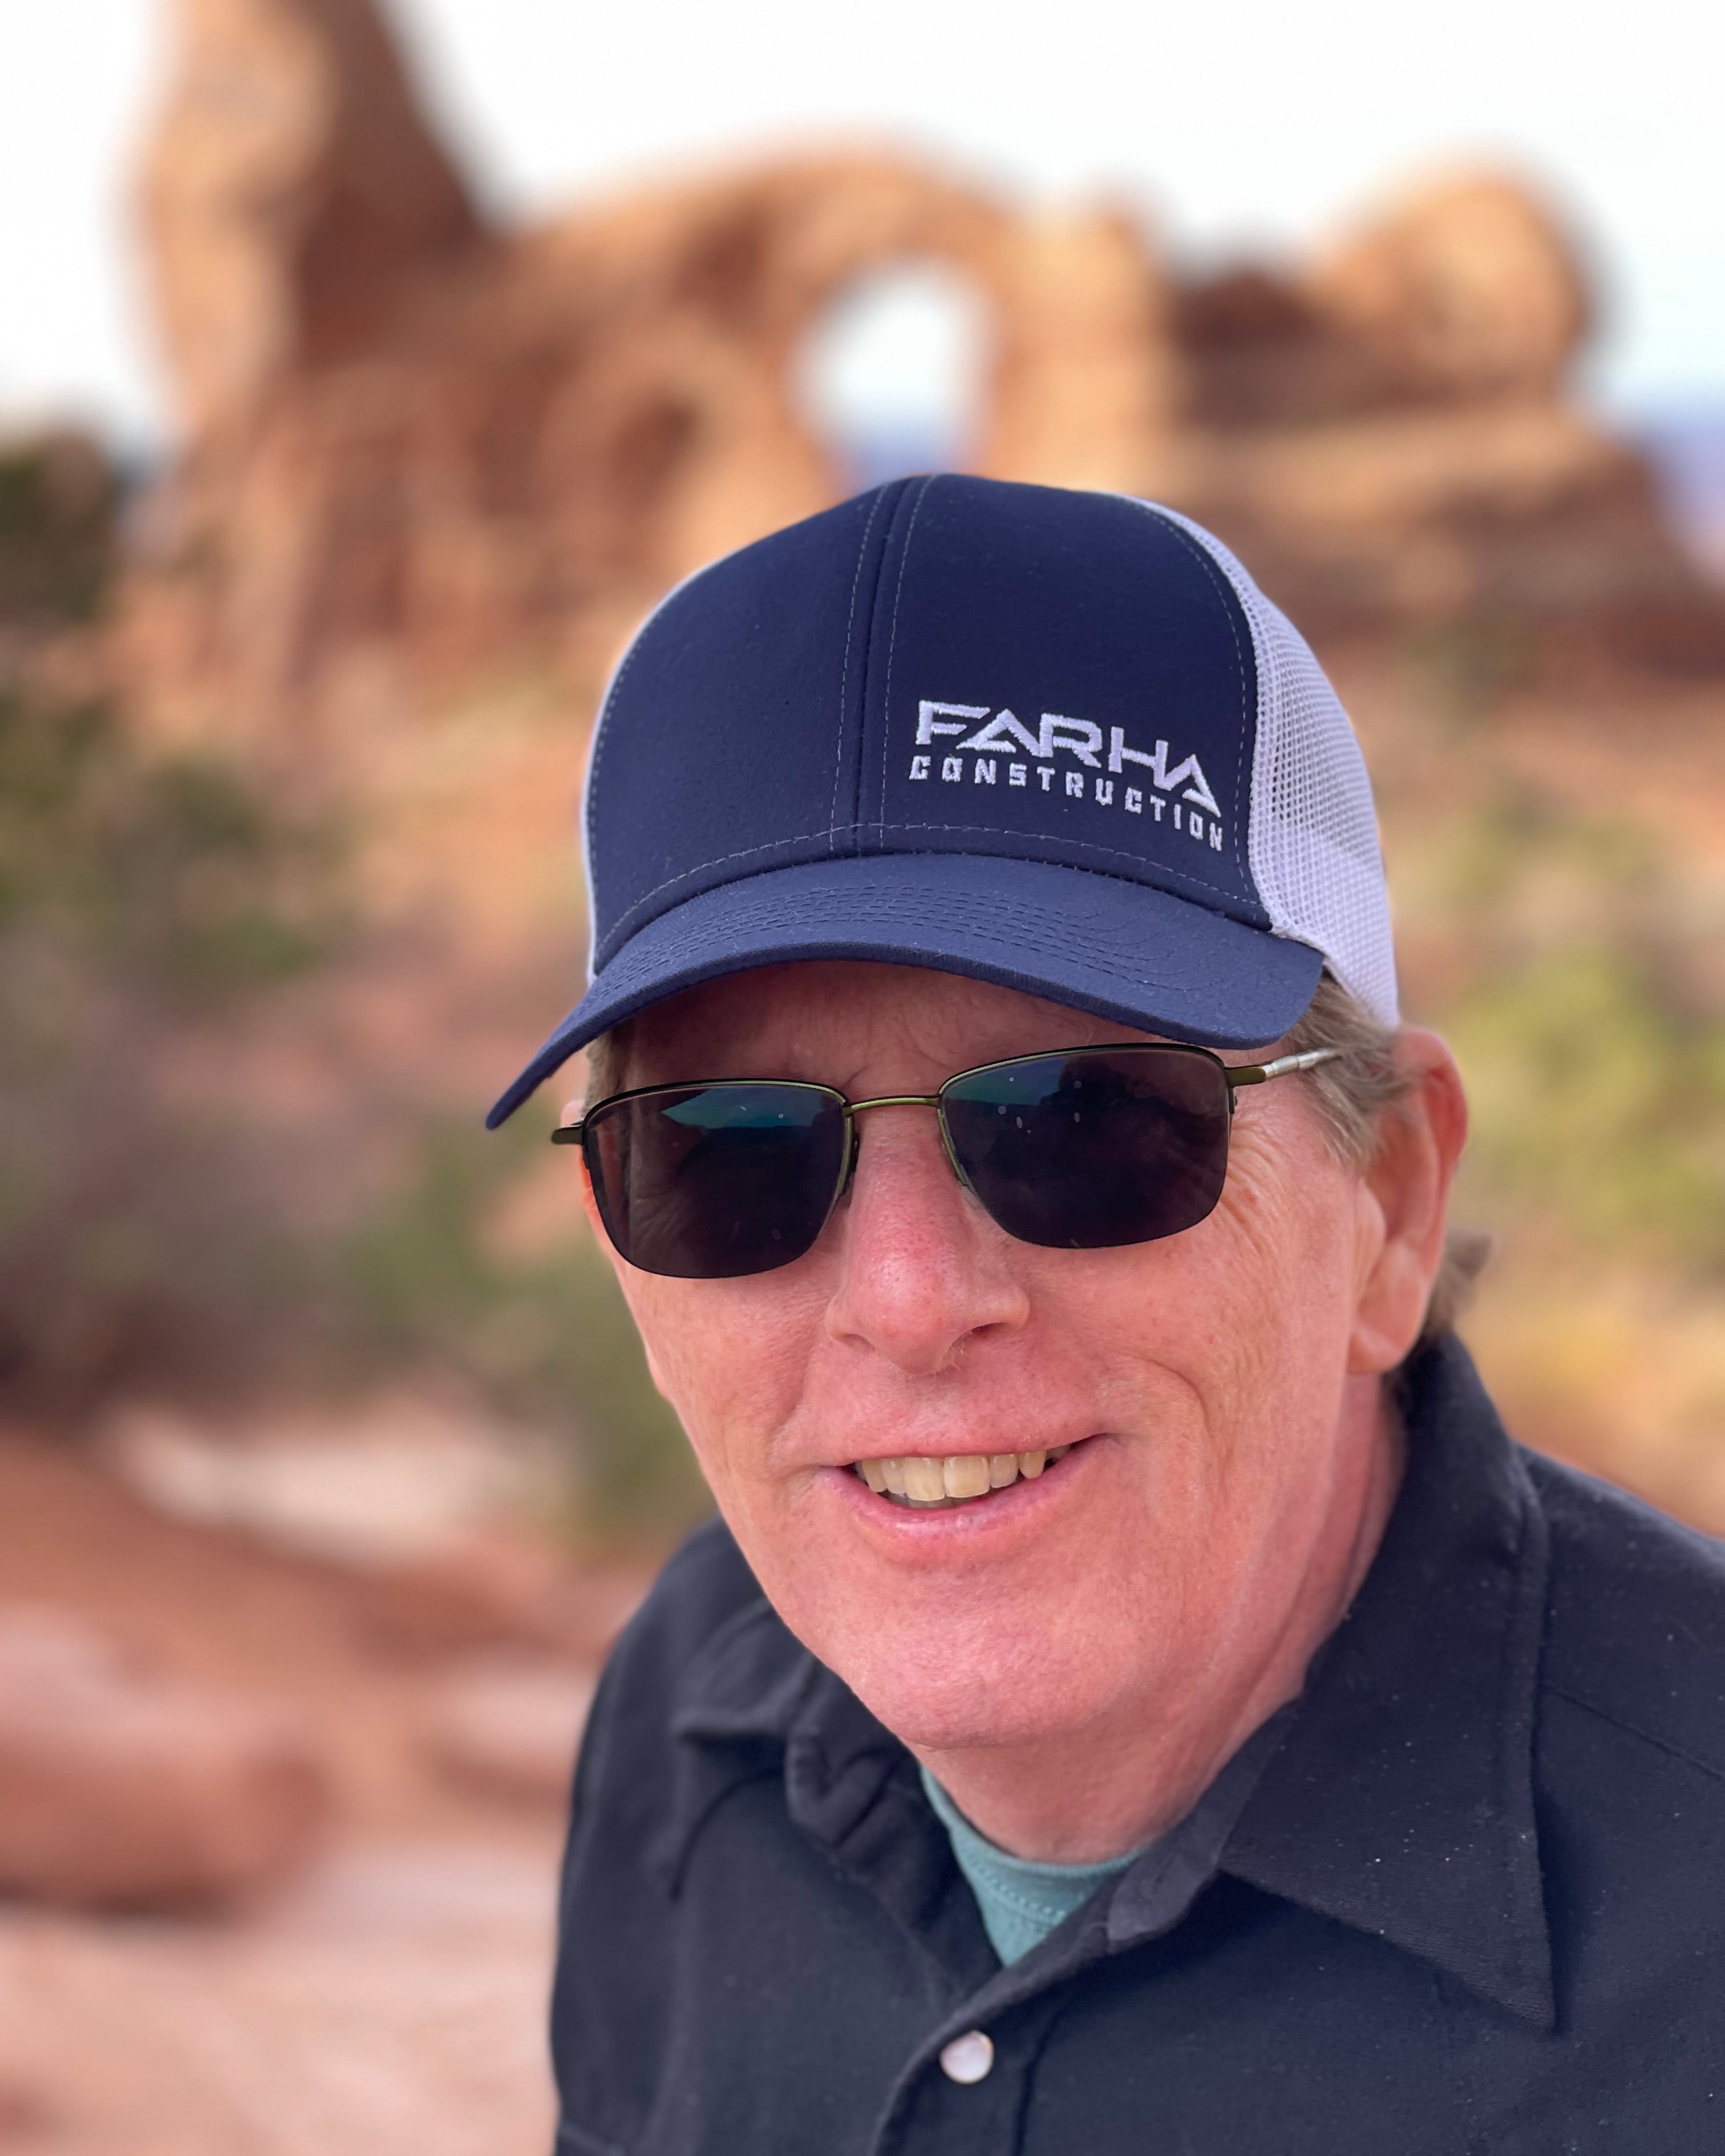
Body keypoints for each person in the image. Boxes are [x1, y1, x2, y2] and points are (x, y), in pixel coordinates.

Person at [489, 477, 1725, 2154]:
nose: (911, 1302)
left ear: (1388, 1204)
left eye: (1082, 1124)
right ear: (623, 1254)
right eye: (732, 1156)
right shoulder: (690, 1698)